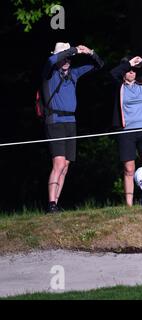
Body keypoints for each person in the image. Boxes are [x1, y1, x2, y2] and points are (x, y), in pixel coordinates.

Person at [43, 42, 104, 213]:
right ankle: (51, 204)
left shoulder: (74, 74)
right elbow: (50, 60)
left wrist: (90, 52)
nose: (67, 59)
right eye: (65, 57)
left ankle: (56, 202)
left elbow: (99, 65)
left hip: (71, 121)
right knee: (59, 162)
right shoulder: (50, 73)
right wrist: (73, 50)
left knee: (66, 164)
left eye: (69, 58)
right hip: (55, 121)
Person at [111, 56, 142, 206]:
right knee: (129, 168)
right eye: (128, 70)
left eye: (134, 70)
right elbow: (112, 74)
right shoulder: (118, 85)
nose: (132, 72)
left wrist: (141, 62)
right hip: (126, 131)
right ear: (124, 72)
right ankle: (129, 204)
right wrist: (128, 64)